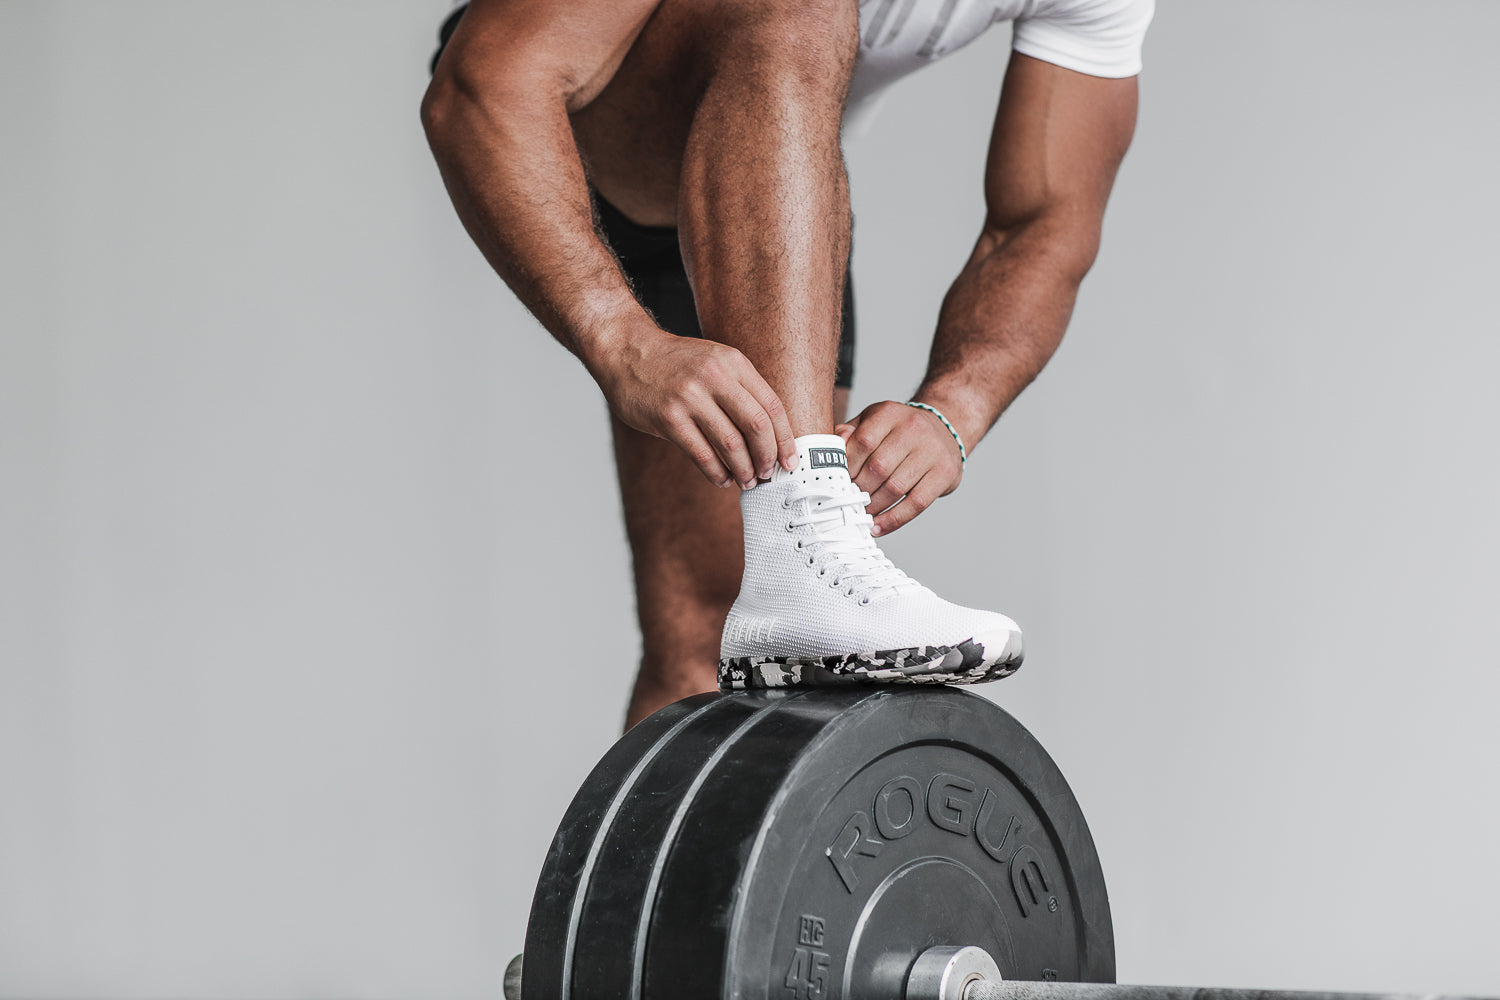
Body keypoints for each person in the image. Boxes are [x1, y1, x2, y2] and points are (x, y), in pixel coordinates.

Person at [423, 0, 1152, 728]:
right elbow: (484, 83)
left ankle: (792, 586)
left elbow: (1045, 221)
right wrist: (621, 338)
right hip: (574, 127)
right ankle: (811, 555)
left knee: (707, 634)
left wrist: (952, 409)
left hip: (755, 176)